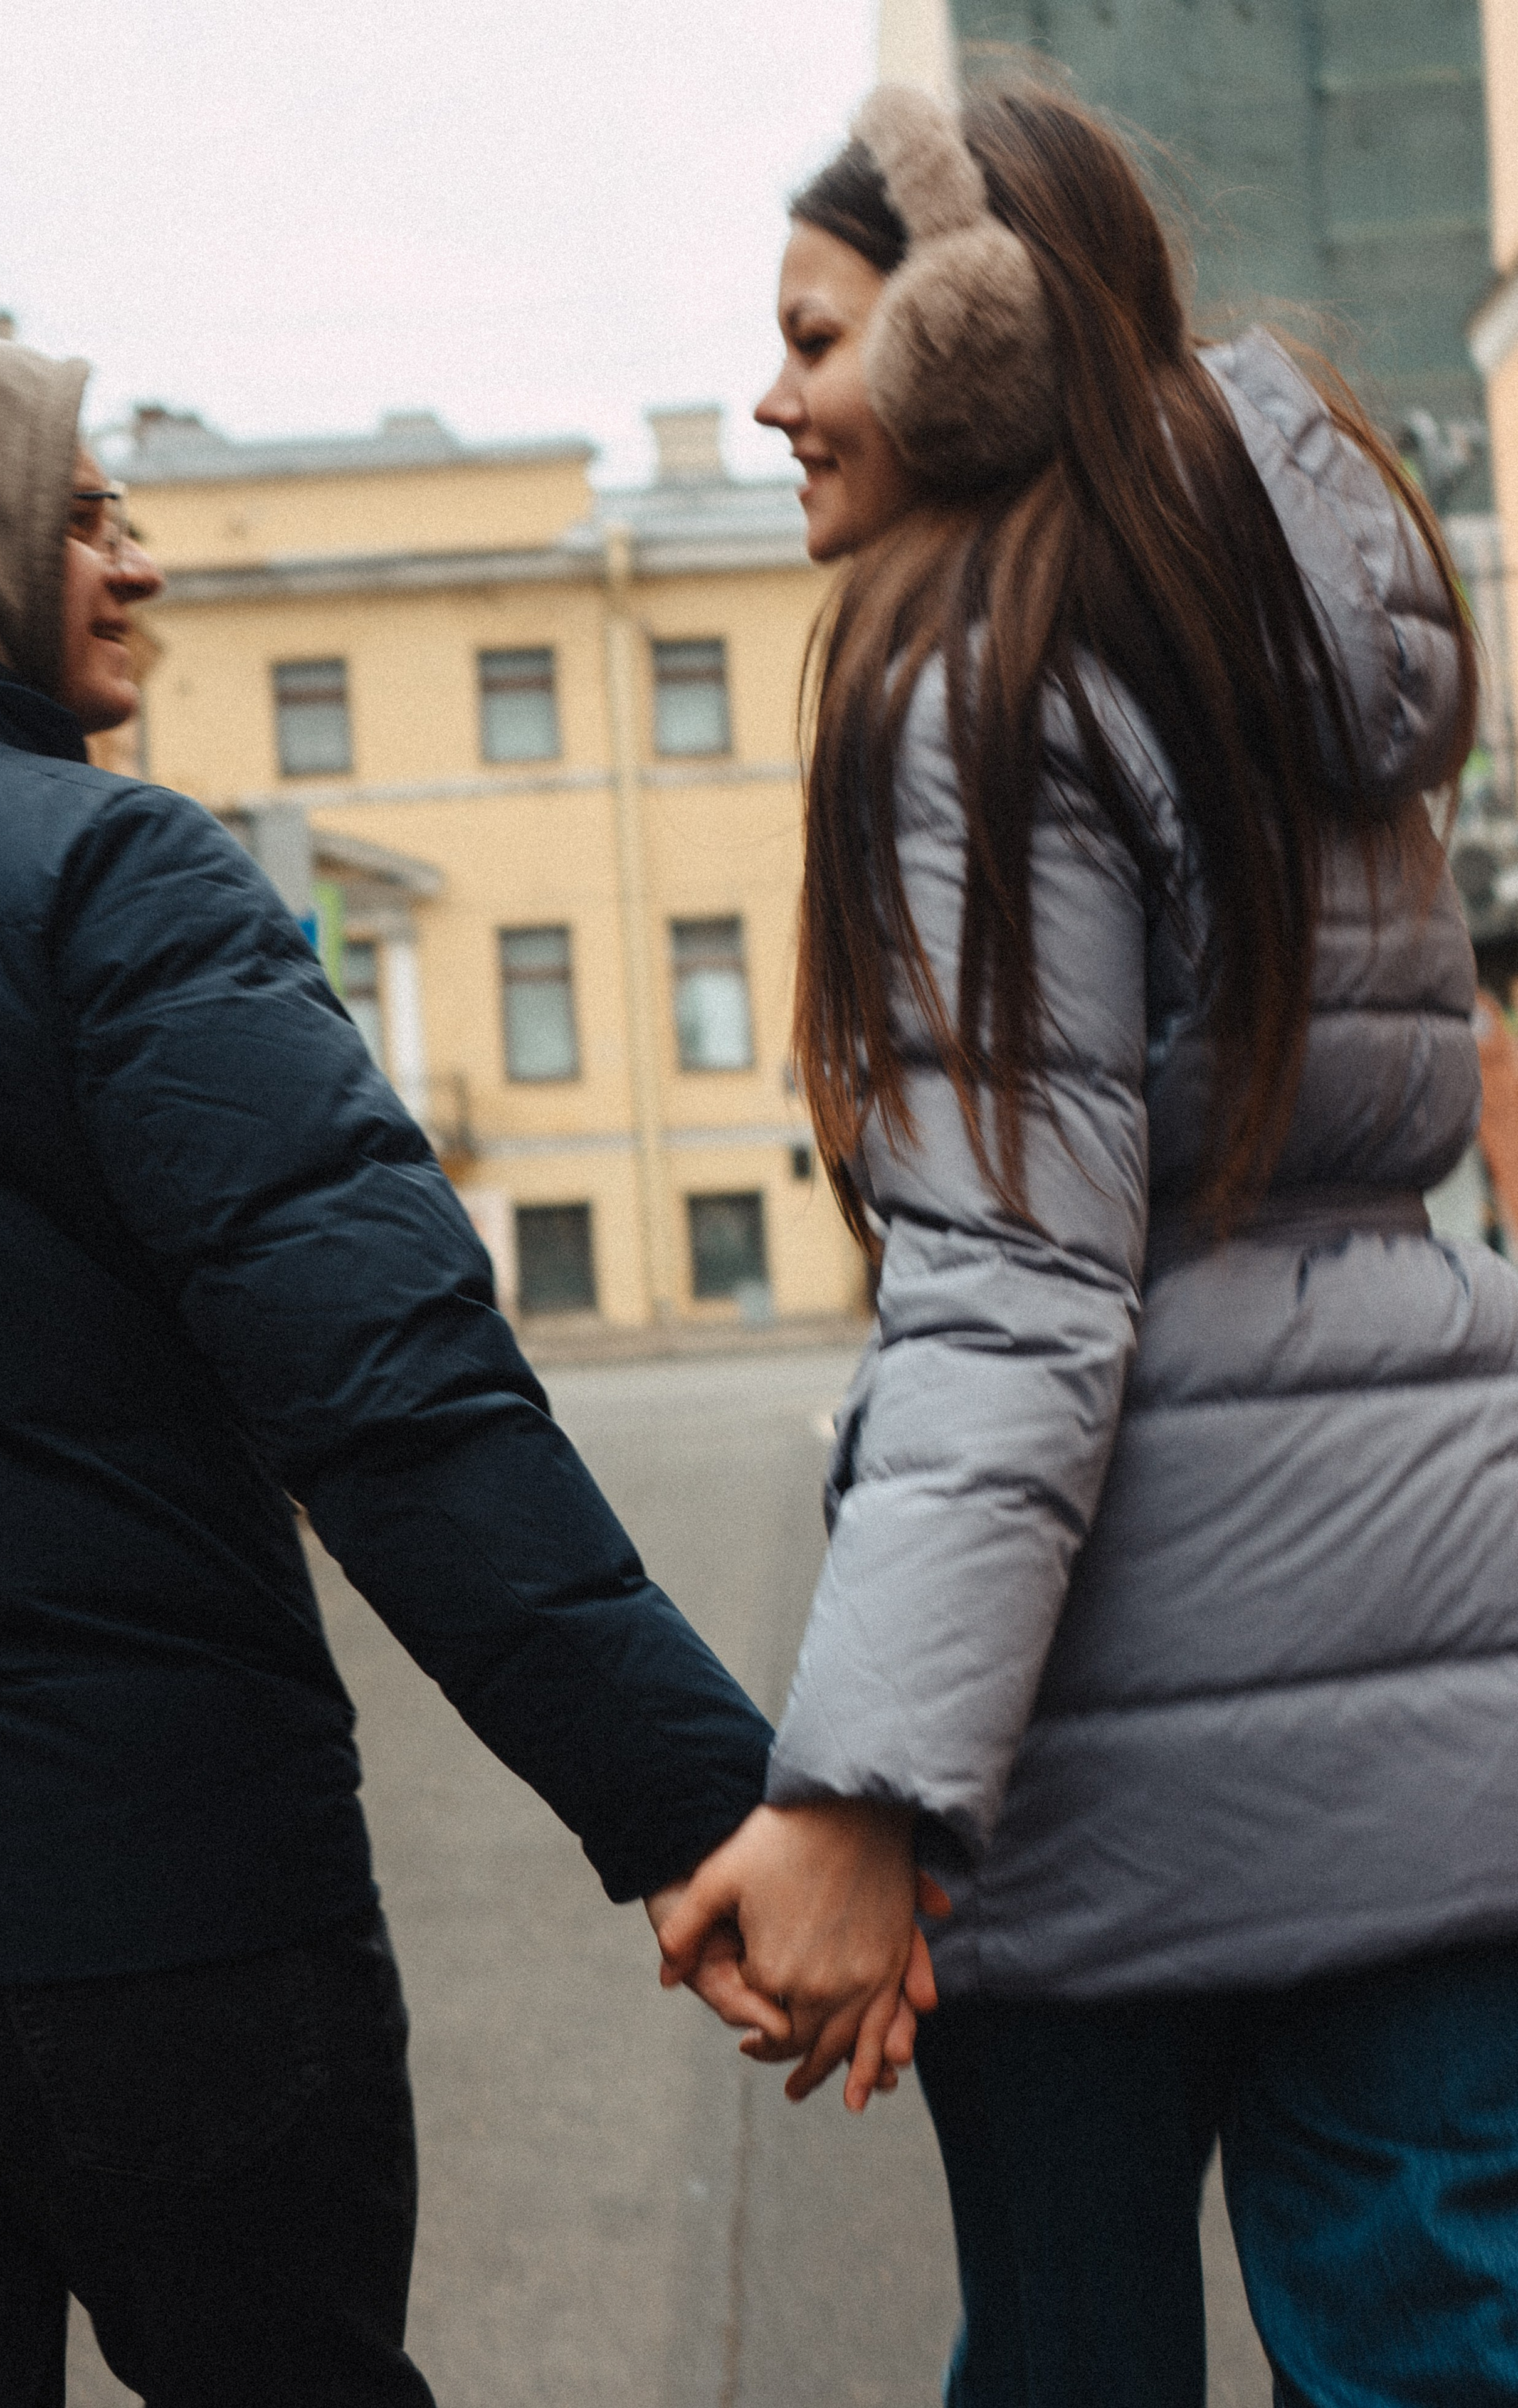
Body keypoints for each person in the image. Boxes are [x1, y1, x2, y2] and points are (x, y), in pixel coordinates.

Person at [0, 330, 921, 2407]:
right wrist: (691, 1805)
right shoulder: (109, 876)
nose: (141, 564)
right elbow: (391, 1390)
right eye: (80, 517)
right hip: (158, 1911)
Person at [656, 72, 1518, 2408]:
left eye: (818, 339)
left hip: (1111, 1728)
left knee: (1069, 2356)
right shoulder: (1308, 671)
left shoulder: (971, 679)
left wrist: (864, 1787)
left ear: (966, 350)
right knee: (1441, 2351)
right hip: (1446, 1699)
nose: (774, 396)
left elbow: (1021, 1281)